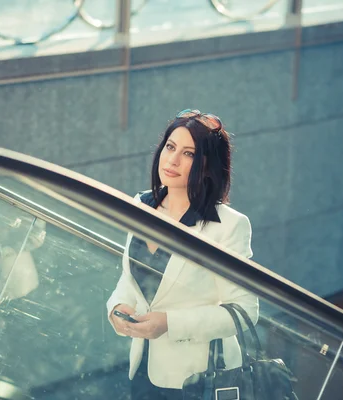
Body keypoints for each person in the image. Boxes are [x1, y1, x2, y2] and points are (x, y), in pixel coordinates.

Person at [106, 109, 259, 399]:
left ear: (207, 165)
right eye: (170, 147)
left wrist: (170, 324)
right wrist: (117, 307)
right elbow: (131, 278)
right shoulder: (141, 205)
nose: (173, 160)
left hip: (196, 381)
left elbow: (244, 311)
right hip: (142, 370)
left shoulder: (228, 226)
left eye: (188, 154)